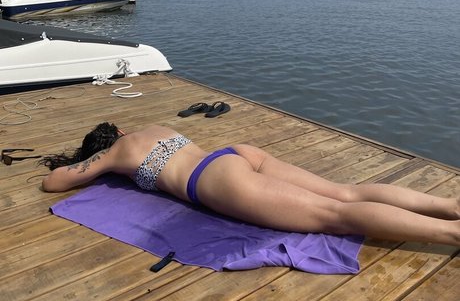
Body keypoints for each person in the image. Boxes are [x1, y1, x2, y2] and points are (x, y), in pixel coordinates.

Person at [41, 122, 460, 246]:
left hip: (215, 181)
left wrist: (97, 163)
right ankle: (449, 206)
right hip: (235, 154)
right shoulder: (154, 128)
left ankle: (452, 232)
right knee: (344, 192)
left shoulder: (117, 152)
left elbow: (53, 183)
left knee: (336, 216)